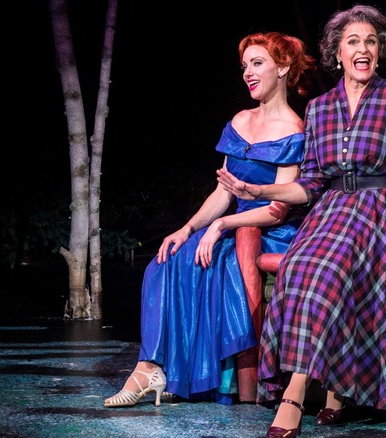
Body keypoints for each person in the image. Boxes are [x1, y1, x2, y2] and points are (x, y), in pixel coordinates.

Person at [217, 5, 386, 437]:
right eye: (353, 41)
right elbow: (310, 183)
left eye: (371, 42)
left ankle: (294, 395)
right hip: (331, 209)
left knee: (328, 269)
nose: (363, 49)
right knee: (300, 268)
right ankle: (336, 388)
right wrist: (258, 192)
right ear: (337, 52)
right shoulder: (319, 107)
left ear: (379, 52)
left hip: (380, 209)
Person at [103, 31, 316, 408]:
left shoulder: (296, 130)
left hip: (270, 232)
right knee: (164, 260)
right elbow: (223, 192)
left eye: (257, 64)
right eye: (244, 66)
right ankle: (153, 367)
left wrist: (221, 227)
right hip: (232, 227)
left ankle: (179, 374)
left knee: (217, 261)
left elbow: (276, 208)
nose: (248, 73)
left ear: (283, 68)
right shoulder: (239, 120)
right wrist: (188, 228)